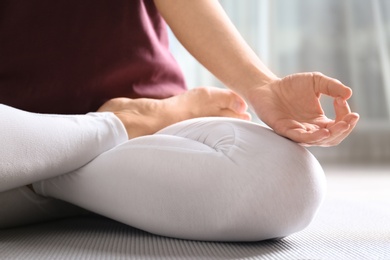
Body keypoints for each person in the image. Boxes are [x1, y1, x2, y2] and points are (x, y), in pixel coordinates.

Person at [0, 0, 359, 241]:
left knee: (287, 183)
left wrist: (261, 86)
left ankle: (121, 124)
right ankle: (91, 138)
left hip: (155, 115)